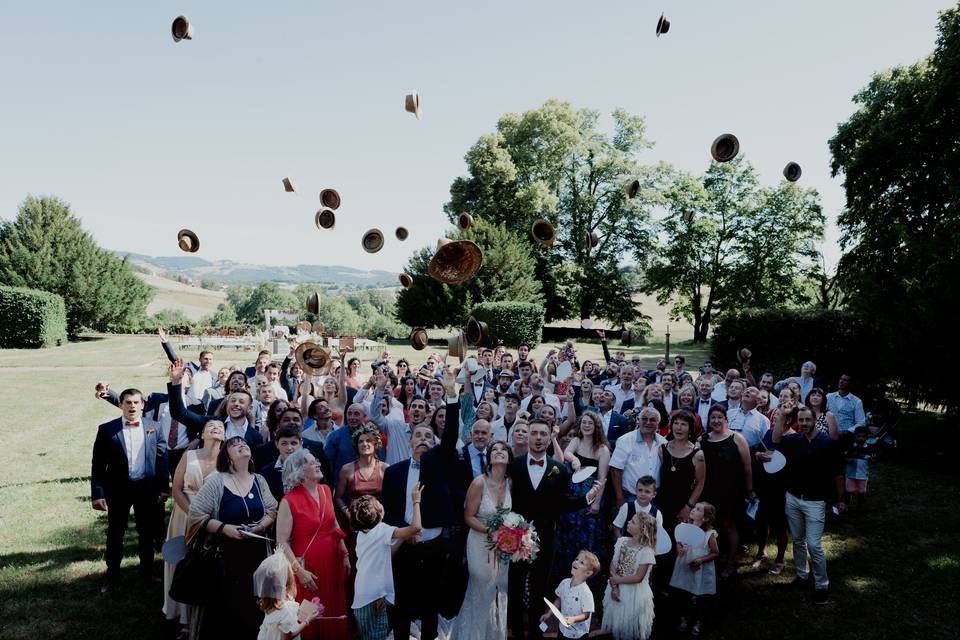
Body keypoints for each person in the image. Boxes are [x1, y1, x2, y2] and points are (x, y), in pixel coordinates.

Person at [507, 421, 604, 640]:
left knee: (539, 589)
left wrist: (586, 499)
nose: (539, 438)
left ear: (550, 436)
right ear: (527, 436)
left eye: (543, 433)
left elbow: (562, 504)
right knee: (514, 589)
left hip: (545, 539)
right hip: (515, 539)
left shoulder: (559, 468)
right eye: (534, 433)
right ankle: (516, 631)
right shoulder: (515, 465)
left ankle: (534, 632)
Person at [381, 394, 460, 640]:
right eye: (418, 435)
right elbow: (388, 510)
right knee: (402, 604)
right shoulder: (394, 472)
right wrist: (407, 531)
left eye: (428, 436)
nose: (423, 439)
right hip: (405, 545)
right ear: (409, 440)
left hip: (433, 547)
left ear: (434, 441)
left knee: (430, 606)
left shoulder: (440, 465)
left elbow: (449, 438)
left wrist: (452, 397)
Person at [186, 436, 278, 638]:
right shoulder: (216, 482)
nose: (242, 445)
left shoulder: (259, 480)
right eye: (235, 445)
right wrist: (224, 528)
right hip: (226, 559)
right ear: (227, 458)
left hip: (257, 556)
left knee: (255, 607)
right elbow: (196, 514)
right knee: (228, 611)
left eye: (244, 443)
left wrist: (260, 527)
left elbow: (272, 510)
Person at [91, 388, 170, 593]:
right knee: (115, 533)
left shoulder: (155, 427)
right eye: (128, 403)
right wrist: (98, 493)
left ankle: (147, 573)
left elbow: (162, 459)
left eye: (136, 402)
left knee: (146, 533)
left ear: (143, 404)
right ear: (120, 405)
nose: (132, 406)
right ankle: (112, 577)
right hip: (118, 490)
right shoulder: (107, 429)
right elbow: (98, 464)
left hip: (147, 489)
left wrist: (163, 488)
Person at [772, 405, 845, 604]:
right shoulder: (794, 440)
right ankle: (802, 576)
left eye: (807, 420)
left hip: (815, 502)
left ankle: (822, 585)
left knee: (813, 545)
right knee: (798, 540)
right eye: (801, 420)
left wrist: (840, 498)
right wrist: (783, 416)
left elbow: (838, 473)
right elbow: (776, 439)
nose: (804, 424)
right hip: (793, 498)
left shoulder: (828, 443)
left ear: (814, 420)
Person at [276, 448, 350, 640]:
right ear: (300, 472)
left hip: (332, 561)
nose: (317, 464)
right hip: (307, 567)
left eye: (316, 460)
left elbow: (334, 524)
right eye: (311, 462)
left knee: (332, 605)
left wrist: (345, 553)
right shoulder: (289, 501)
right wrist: (299, 572)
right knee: (307, 612)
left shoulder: (326, 490)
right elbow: (282, 541)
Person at [449, 441, 514, 640]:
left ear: (509, 458)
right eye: (495, 449)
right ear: (489, 457)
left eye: (503, 449)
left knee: (500, 589)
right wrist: (490, 531)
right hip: (479, 542)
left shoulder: (510, 482)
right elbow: (468, 516)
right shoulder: (479, 482)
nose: (499, 452)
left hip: (503, 545)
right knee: (481, 588)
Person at [163, 419, 223, 631]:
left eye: (220, 427)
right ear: (203, 434)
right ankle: (181, 616)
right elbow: (177, 488)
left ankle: (202, 615)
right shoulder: (189, 456)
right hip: (184, 514)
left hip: (212, 519)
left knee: (204, 563)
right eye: (210, 426)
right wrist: (192, 514)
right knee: (181, 560)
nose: (215, 428)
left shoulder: (227, 461)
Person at [349, 490, 423, 640]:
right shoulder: (382, 530)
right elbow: (416, 528)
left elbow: (386, 554)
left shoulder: (362, 534)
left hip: (361, 598)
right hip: (375, 597)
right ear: (379, 513)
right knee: (379, 635)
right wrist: (416, 501)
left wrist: (402, 538)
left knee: (367, 636)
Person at [554, 412, 611, 582]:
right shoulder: (576, 441)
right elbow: (566, 454)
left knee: (585, 535)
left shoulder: (602, 449)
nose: (586, 426)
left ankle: (584, 575)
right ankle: (564, 571)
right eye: (584, 423)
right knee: (567, 533)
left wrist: (596, 503)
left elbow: (602, 479)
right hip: (571, 495)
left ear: (596, 427)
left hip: (589, 496)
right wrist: (573, 459)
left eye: (590, 423)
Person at [699, 404, 753, 578]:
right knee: (711, 526)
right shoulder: (703, 440)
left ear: (726, 419)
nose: (716, 421)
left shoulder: (737, 438)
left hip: (732, 490)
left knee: (730, 525)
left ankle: (731, 561)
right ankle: (713, 559)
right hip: (709, 490)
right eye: (713, 417)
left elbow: (747, 467)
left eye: (719, 417)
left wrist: (749, 490)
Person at [600, 511, 656, 640]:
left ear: (642, 530)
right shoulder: (622, 541)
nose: (628, 523)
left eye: (633, 522)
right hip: (616, 587)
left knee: (628, 624)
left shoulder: (647, 551)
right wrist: (614, 587)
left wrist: (617, 581)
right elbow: (613, 564)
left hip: (634, 593)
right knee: (616, 620)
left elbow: (638, 577)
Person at [670, 502, 719, 637]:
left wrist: (701, 560)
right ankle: (684, 618)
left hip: (699, 570)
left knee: (698, 596)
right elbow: (679, 542)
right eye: (694, 507)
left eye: (698, 509)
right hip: (685, 566)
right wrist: (678, 547)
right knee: (683, 594)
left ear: (705, 518)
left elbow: (715, 552)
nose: (693, 510)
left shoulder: (709, 534)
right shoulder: (685, 527)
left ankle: (698, 620)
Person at [657, 410, 706, 536]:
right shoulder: (662, 449)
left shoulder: (697, 454)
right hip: (662, 503)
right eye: (676, 423)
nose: (678, 428)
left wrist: (688, 507)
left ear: (690, 429)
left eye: (683, 424)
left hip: (683, 504)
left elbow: (700, 483)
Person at [253, 552, 321, 640]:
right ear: (287, 583)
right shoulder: (285, 609)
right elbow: (288, 637)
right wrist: (307, 621)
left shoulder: (270, 602)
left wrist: (306, 611)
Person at [609, 408, 667, 508]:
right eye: (644, 419)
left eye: (652, 420)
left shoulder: (663, 443)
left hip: (654, 498)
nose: (648, 422)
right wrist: (619, 497)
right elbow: (615, 470)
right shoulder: (625, 440)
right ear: (638, 421)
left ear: (658, 423)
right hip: (630, 497)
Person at [540, 551, 601, 639]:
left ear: (588, 573)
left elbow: (586, 614)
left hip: (578, 634)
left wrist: (574, 619)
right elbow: (559, 599)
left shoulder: (586, 592)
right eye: (576, 559)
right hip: (563, 629)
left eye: (581, 562)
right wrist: (548, 614)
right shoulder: (564, 583)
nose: (576, 562)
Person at [844, 426, 872, 511]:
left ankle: (860, 506)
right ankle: (847, 506)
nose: (861, 438)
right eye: (858, 436)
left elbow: (872, 459)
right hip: (850, 473)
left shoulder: (869, 448)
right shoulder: (850, 447)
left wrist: (872, 459)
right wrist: (849, 460)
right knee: (848, 490)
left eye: (863, 436)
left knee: (861, 491)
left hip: (862, 474)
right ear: (854, 436)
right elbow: (844, 458)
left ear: (867, 437)